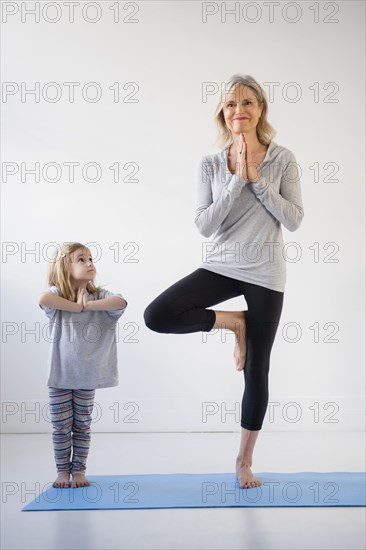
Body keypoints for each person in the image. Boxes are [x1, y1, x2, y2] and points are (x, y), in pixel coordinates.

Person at [144, 74, 304, 489]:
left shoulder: (283, 158)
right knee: (157, 314)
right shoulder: (209, 164)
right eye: (232, 104)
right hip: (223, 263)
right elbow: (205, 225)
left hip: (266, 270)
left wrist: (258, 178)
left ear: (260, 109)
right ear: (223, 113)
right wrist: (236, 178)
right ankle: (234, 321)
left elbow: (294, 220)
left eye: (249, 102)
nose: (240, 109)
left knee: (257, 368)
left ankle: (243, 461)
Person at [39, 242, 127, 488]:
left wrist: (90, 305)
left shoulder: (101, 296)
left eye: (90, 258)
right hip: (60, 375)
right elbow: (43, 298)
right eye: (81, 259)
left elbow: (120, 302)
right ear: (64, 268)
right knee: (60, 427)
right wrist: (77, 307)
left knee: (82, 425)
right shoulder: (57, 296)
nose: (90, 263)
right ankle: (61, 472)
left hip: (87, 376)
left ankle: (78, 471)